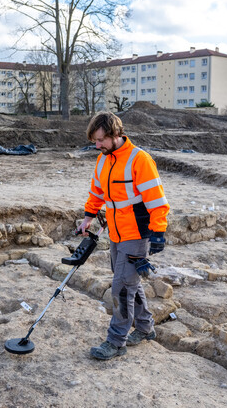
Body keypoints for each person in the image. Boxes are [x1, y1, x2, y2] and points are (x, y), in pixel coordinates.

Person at [77, 111, 169, 360]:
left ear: (115, 134)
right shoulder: (103, 160)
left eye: (101, 140)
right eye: (94, 141)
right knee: (129, 283)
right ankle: (145, 327)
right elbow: (97, 192)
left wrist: (158, 232)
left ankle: (116, 342)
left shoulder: (140, 160)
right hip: (116, 234)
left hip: (137, 235)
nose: (97, 146)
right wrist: (88, 217)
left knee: (120, 289)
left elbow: (158, 202)